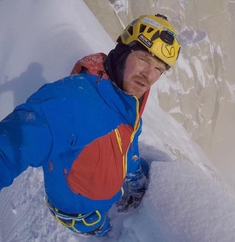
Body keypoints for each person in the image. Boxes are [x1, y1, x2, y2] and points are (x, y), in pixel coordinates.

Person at [0, 13, 181, 236]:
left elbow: (126, 140)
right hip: (79, 213)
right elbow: (9, 149)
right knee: (102, 231)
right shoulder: (71, 101)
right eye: (143, 59)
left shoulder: (128, 97)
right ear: (123, 51)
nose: (149, 76)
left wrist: (135, 177)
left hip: (103, 192)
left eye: (158, 69)